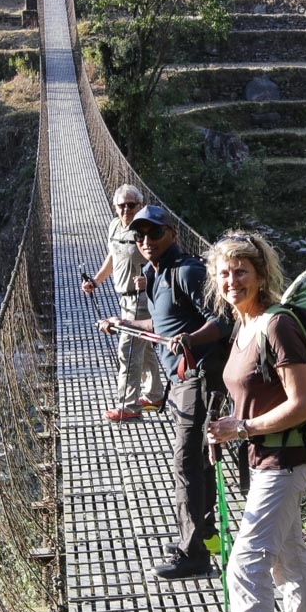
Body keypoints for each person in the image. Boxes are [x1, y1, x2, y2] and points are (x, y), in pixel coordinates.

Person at [194, 230, 306, 612]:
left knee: (245, 568)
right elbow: (249, 394)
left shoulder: (277, 326)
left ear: (261, 273)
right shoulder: (242, 325)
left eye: (241, 271)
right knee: (288, 558)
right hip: (263, 459)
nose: (232, 280)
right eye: (224, 273)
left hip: (286, 462)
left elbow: (303, 404)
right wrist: (226, 431)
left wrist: (243, 427)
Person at [95, 205, 231, 579]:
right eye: (140, 236)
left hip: (200, 377)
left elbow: (222, 321)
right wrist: (124, 322)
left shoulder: (188, 270)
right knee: (197, 461)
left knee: (186, 462)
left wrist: (191, 338)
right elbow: (160, 322)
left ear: (172, 233)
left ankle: (195, 557)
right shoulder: (156, 274)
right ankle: (199, 536)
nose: (146, 241)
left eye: (154, 234)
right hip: (180, 380)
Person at [81, 184, 165, 423]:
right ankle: (155, 395)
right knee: (144, 346)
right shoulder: (114, 226)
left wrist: (149, 278)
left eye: (132, 205)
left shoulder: (146, 229)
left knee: (127, 351)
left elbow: (162, 258)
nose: (127, 209)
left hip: (141, 298)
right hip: (124, 299)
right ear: (115, 207)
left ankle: (129, 407)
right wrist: (96, 281)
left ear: (140, 205)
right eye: (122, 205)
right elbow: (113, 256)